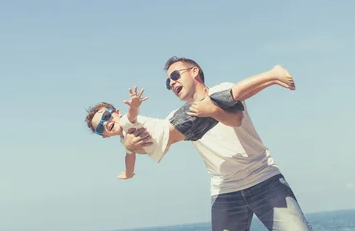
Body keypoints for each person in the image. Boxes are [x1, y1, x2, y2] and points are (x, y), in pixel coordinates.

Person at [123, 56, 355, 231]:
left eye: (175, 75)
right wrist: (131, 145)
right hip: (224, 191)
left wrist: (215, 107)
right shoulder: (180, 115)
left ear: (194, 72)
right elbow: (160, 140)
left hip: (263, 178)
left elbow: (236, 118)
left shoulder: (224, 89)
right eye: (167, 81)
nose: (171, 83)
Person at [85, 65, 295, 180]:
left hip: (182, 122)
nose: (107, 123)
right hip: (190, 133)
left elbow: (132, 116)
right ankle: (272, 79)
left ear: (115, 112)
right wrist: (128, 175)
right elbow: (129, 157)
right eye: (101, 127)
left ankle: (271, 74)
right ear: (103, 135)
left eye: (106, 116)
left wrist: (135, 105)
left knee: (230, 94)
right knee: (231, 100)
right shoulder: (126, 142)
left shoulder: (126, 122)